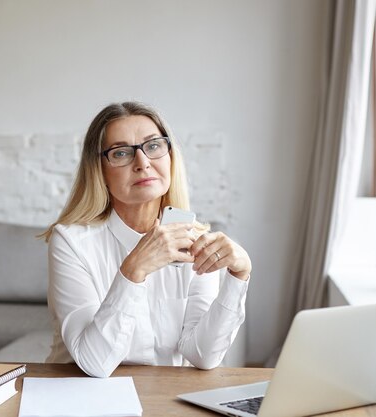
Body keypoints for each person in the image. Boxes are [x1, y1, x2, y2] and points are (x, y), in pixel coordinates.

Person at [41, 102, 252, 378]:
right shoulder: (70, 241)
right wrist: (133, 270)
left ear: (170, 157)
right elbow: (94, 363)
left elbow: (202, 355)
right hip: (80, 392)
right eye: (121, 153)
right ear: (100, 171)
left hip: (163, 397)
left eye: (153, 146)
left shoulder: (194, 239)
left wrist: (239, 276)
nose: (142, 163)